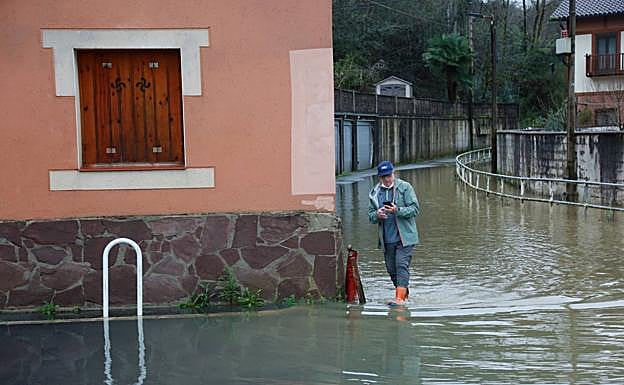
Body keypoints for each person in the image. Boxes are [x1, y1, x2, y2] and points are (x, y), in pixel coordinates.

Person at [368, 161, 420, 306]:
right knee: (392, 270)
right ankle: (404, 296)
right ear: (380, 177)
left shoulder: (405, 188)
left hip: (405, 238)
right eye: (384, 176)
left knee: (401, 265)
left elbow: (415, 209)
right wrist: (377, 214)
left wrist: (397, 210)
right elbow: (370, 215)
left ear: (393, 173)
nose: (387, 179)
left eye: (389, 175)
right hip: (386, 239)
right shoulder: (374, 193)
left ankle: (399, 300)